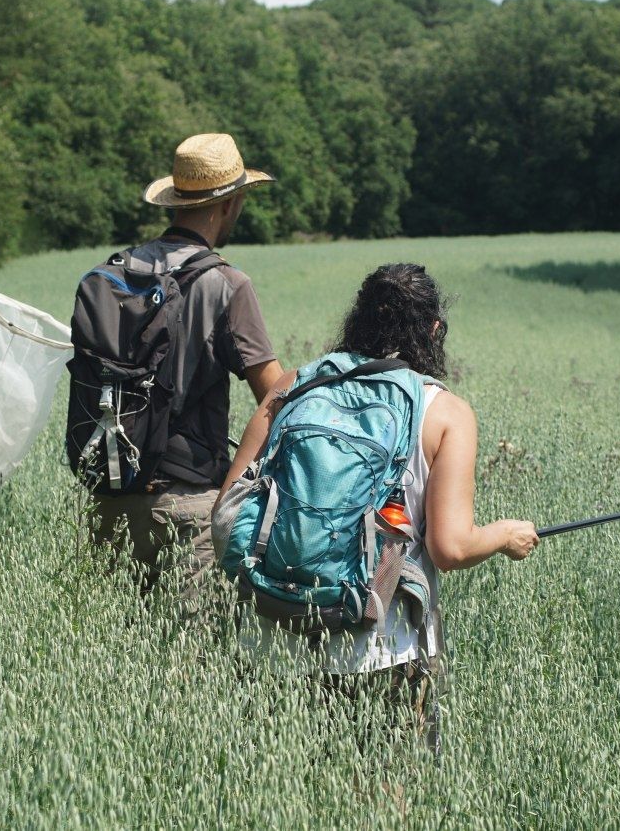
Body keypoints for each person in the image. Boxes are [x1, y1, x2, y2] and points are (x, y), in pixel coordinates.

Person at [215, 263, 539, 747]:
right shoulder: (445, 412)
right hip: (382, 648)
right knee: (383, 799)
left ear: (358, 318)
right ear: (433, 329)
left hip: (271, 636)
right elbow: (450, 548)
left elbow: (228, 507)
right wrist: (505, 535)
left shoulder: (292, 385)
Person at [77, 133, 285, 606]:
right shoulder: (226, 284)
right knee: (191, 666)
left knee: (109, 657)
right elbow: (275, 400)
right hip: (187, 508)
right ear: (229, 203)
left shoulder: (111, 276)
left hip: (108, 500)